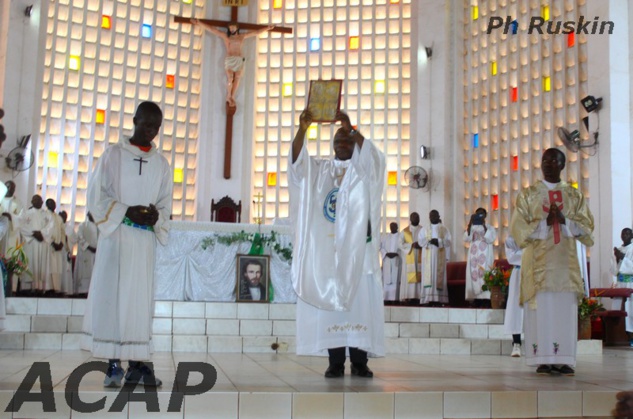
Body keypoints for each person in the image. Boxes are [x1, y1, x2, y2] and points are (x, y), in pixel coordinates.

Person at [81, 101, 173, 388]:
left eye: (156, 127)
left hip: (144, 243)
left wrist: (157, 216)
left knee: (138, 302)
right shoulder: (113, 155)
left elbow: (165, 203)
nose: (151, 132)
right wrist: (125, 210)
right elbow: (97, 196)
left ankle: (138, 364)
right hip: (117, 238)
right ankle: (113, 365)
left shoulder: (162, 164)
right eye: (146, 125)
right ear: (134, 120)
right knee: (113, 300)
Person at [289, 108, 385, 379]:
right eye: (338, 141)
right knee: (332, 310)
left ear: (354, 143)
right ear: (331, 146)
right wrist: (303, 129)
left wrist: (351, 128)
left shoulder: (363, 169)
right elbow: (297, 165)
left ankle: (359, 361)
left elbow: (375, 159)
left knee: (359, 306)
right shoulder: (320, 170)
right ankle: (334, 362)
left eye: (347, 141)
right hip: (329, 255)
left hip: (359, 254)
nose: (343, 145)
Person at [510, 148, 594, 376]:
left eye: (553, 160)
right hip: (537, 264)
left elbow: (587, 227)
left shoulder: (574, 195)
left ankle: (565, 359)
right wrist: (542, 224)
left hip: (565, 265)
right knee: (541, 311)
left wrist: (565, 221)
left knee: (563, 310)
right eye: (544, 160)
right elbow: (517, 228)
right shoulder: (528, 195)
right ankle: (542, 359)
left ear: (562, 165)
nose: (547, 164)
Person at [191, 19, 274, 106]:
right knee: (230, 77)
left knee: (237, 77)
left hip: (238, 59)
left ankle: (232, 96)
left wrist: (267, 28)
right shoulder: (226, 37)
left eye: (233, 28)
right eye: (230, 28)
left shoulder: (242, 36)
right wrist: (199, 22)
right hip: (230, 59)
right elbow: (213, 30)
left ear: (237, 28)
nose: (231, 30)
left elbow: (256, 32)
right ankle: (228, 95)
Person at [19, 195, 52, 294]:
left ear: (42, 202)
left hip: (42, 242)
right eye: (35, 199)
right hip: (31, 242)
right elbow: (21, 226)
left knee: (41, 265)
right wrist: (33, 233)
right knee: (30, 263)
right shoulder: (26, 213)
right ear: (31, 201)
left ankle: (40, 288)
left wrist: (41, 233)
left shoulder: (46, 214)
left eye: (39, 200)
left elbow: (51, 226)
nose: (37, 201)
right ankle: (27, 288)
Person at [464, 207, 497, 307]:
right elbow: (466, 238)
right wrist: (470, 224)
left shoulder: (490, 227)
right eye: (478, 214)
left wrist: (483, 225)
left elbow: (491, 238)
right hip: (473, 255)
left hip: (485, 255)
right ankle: (476, 299)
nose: (480, 216)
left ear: (485, 216)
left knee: (485, 273)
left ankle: (486, 299)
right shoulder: (472, 227)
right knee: (474, 275)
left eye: (482, 214)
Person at [418, 210, 451, 306]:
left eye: (434, 215)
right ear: (429, 217)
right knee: (428, 276)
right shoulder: (424, 229)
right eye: (431, 216)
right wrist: (429, 241)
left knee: (438, 276)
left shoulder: (444, 229)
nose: (432, 217)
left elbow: (448, 241)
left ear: (438, 216)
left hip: (438, 257)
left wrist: (438, 241)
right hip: (427, 257)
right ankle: (427, 299)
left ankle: (439, 299)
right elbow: (420, 241)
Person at [611, 227, 633, 346]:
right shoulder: (617, 250)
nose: (625, 235)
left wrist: (623, 257)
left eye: (628, 233)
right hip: (620, 283)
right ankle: (617, 336)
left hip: (630, 283)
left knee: (630, 311)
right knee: (617, 308)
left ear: (632, 236)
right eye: (623, 233)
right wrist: (616, 257)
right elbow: (614, 271)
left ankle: (631, 336)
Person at [503, 236, 523, 357]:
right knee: (516, 308)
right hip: (519, 272)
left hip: (536, 272)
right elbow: (511, 256)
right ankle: (516, 343)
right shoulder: (514, 234)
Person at [380, 222, 407, 304]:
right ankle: (386, 298)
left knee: (396, 279)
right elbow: (381, 247)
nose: (392, 228)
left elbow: (403, 247)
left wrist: (397, 253)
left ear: (397, 227)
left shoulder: (400, 236)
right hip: (387, 260)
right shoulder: (385, 237)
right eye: (391, 226)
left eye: (394, 226)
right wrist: (386, 253)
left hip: (396, 259)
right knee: (387, 279)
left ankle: (395, 299)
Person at [43, 198, 65, 295]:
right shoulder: (45, 215)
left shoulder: (59, 218)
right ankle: (48, 288)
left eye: (54, 203)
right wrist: (52, 242)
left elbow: (62, 232)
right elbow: (44, 230)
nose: (54, 205)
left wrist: (61, 243)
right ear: (47, 205)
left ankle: (56, 288)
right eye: (51, 203)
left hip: (58, 247)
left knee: (57, 267)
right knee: (49, 267)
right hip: (49, 245)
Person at [400, 212, 422, 304]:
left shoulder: (423, 229)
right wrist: (410, 245)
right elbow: (400, 243)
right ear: (410, 219)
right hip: (409, 257)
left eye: (417, 217)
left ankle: (419, 296)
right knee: (409, 274)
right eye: (413, 217)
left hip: (420, 257)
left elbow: (427, 240)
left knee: (420, 274)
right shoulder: (405, 231)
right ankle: (408, 296)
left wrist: (420, 244)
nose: (415, 218)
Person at [74, 212, 98, 296]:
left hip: (96, 253)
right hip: (86, 252)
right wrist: (89, 247)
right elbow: (79, 237)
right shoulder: (82, 225)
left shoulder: (99, 226)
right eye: (91, 214)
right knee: (85, 272)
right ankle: (83, 291)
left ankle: (94, 291)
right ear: (87, 215)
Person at [58, 210, 76, 296]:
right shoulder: (56, 226)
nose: (62, 218)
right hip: (57, 252)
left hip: (65, 251)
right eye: (60, 216)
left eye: (63, 216)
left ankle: (66, 290)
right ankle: (57, 289)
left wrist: (66, 239)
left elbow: (75, 239)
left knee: (65, 270)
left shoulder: (69, 228)